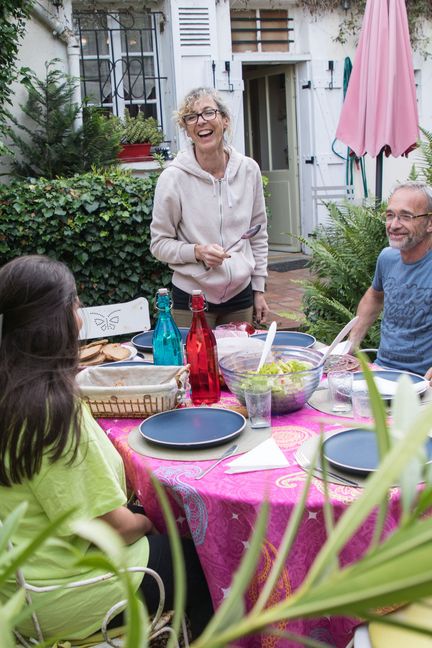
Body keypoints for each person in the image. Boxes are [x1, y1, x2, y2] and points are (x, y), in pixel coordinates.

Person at [0, 255, 212, 641]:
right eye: (76, 304)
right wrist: (151, 522)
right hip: (73, 592)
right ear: (59, 320)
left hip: (18, 590)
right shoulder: (52, 410)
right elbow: (115, 528)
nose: (80, 316)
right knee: (212, 563)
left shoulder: (11, 392)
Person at [150, 87, 269, 328]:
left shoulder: (249, 170)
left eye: (208, 113)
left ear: (225, 120)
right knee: (193, 366)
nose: (200, 121)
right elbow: (159, 244)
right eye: (191, 117)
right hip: (192, 298)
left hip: (240, 296)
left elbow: (258, 233)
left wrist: (259, 289)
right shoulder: (173, 178)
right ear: (187, 130)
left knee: (239, 363)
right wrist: (197, 251)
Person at [348, 180, 432, 376]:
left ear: (430, 223)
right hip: (382, 371)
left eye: (405, 216)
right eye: (390, 215)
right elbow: (375, 296)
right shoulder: (387, 258)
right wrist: (353, 340)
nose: (394, 225)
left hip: (421, 381)